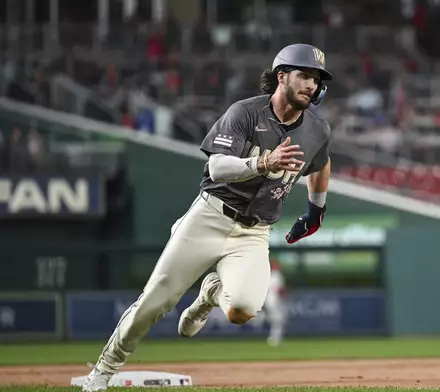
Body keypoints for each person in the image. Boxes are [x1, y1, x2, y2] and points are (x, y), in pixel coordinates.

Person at [82, 43, 333, 391]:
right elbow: (215, 167)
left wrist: (316, 209)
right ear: (282, 77)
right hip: (210, 216)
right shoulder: (245, 113)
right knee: (155, 301)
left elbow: (321, 164)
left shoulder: (317, 130)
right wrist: (261, 163)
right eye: (304, 75)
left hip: (254, 232)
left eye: (317, 79)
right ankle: (104, 371)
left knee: (243, 310)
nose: (312, 85)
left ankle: (211, 294)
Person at [264, 258, 288, 347]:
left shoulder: (269, 275)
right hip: (275, 301)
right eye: (277, 265)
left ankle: (275, 338)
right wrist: (286, 295)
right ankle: (274, 339)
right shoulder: (277, 275)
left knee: (277, 320)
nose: (279, 266)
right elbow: (279, 290)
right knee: (279, 320)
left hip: (268, 301)